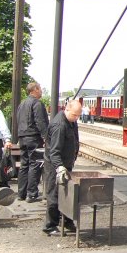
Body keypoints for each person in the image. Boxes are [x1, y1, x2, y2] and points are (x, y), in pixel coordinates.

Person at [43, 99, 82, 236]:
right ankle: (50, 226)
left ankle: (66, 221)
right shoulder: (59, 125)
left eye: (78, 115)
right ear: (67, 110)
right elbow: (54, 151)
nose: (76, 118)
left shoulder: (71, 121)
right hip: (55, 165)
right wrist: (59, 166)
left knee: (67, 193)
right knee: (54, 194)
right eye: (74, 115)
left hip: (66, 163)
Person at [16, 82, 49, 203]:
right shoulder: (37, 103)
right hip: (33, 138)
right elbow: (40, 122)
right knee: (35, 164)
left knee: (24, 165)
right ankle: (32, 194)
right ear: (34, 90)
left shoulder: (22, 104)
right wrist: (46, 137)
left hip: (22, 138)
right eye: (40, 89)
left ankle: (21, 193)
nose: (41, 91)